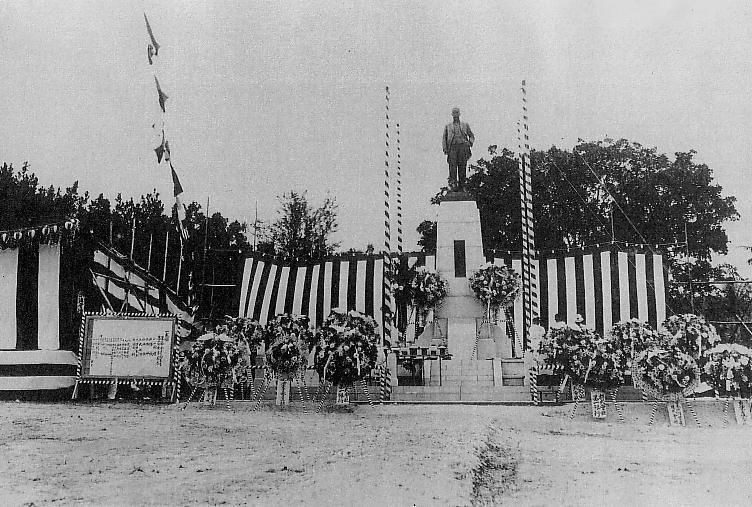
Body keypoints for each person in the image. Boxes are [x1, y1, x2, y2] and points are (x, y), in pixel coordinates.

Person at [442, 107, 474, 191]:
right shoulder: (448, 126)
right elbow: (444, 138)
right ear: (452, 115)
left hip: (463, 147)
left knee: (462, 166)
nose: (455, 115)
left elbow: (471, 135)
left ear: (459, 114)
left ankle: (462, 185)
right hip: (452, 147)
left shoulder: (465, 125)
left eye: (457, 113)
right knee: (452, 167)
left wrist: (469, 143)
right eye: (454, 113)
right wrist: (445, 148)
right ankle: (453, 185)